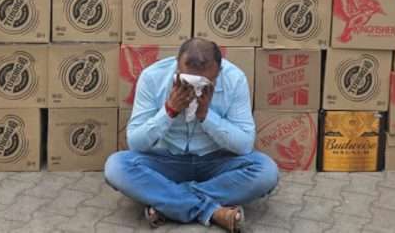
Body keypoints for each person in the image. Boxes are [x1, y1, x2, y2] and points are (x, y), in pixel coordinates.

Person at [105, 38, 278, 232]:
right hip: (167, 160)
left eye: (204, 83)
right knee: (116, 166)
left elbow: (244, 144)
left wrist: (206, 116)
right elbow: (136, 143)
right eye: (188, 80)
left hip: (215, 161)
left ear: (218, 72)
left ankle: (167, 201)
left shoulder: (234, 78)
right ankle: (212, 211)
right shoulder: (153, 77)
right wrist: (169, 111)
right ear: (176, 66)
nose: (195, 89)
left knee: (266, 171)